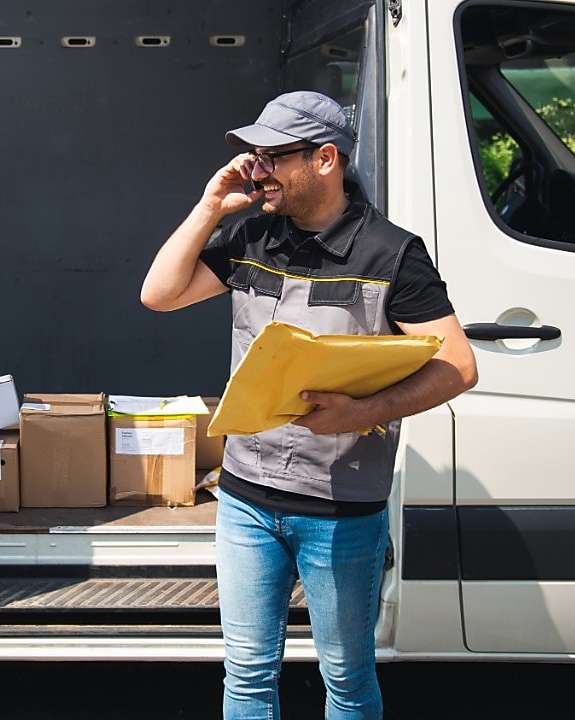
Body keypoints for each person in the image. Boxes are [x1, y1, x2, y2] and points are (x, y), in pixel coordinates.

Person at [140, 90, 478, 720]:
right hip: (245, 498)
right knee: (245, 674)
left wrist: (358, 412)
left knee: (346, 678)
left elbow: (458, 366)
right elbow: (158, 295)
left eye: (273, 157)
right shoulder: (251, 238)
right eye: (254, 155)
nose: (257, 169)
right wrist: (211, 205)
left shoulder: (392, 253)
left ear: (325, 159)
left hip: (341, 509)